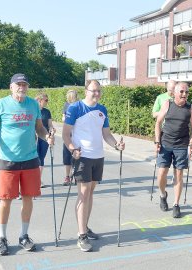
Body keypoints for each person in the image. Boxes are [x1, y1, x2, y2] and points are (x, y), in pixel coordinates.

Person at [0, 73, 54, 256]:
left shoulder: (33, 104)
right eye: (18, 84)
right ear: (11, 86)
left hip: (30, 159)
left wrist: (46, 136)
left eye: (24, 84)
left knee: (28, 198)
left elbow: (39, 127)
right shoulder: (1, 104)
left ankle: (23, 235)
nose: (22, 87)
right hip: (8, 159)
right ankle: (2, 238)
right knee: (6, 200)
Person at [62, 80, 125, 252]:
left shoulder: (102, 110)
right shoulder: (75, 108)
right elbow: (65, 134)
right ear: (86, 90)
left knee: (90, 192)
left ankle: (85, 227)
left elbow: (106, 134)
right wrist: (72, 149)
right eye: (93, 91)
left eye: (99, 91)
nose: (96, 94)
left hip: (98, 156)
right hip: (82, 156)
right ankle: (81, 235)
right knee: (83, 194)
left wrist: (116, 145)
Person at [154, 82, 192, 218]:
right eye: (182, 92)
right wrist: (157, 140)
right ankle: (163, 194)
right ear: (175, 93)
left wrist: (191, 143)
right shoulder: (168, 104)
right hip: (165, 143)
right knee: (161, 174)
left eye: (187, 92)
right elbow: (158, 123)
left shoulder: (191, 108)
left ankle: (176, 204)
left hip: (181, 145)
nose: (185, 94)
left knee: (178, 175)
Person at [152, 79, 177, 185]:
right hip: (163, 131)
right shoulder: (160, 98)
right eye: (171, 90)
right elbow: (154, 114)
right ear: (167, 88)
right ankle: (163, 177)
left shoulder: (179, 97)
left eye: (174, 89)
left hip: (177, 131)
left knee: (177, 157)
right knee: (163, 157)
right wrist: (164, 112)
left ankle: (176, 177)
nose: (172, 92)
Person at [35, 93, 55, 188]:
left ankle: (38, 179)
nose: (47, 102)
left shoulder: (47, 112)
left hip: (45, 136)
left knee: (41, 157)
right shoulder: (33, 110)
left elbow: (50, 124)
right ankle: (33, 179)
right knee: (35, 157)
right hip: (34, 137)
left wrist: (52, 129)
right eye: (46, 100)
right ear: (40, 100)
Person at [62, 89, 78, 186]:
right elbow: (63, 117)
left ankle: (76, 175)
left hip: (77, 133)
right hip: (68, 133)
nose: (72, 96)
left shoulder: (79, 105)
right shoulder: (66, 105)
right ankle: (67, 176)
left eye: (73, 95)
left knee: (77, 155)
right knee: (67, 155)